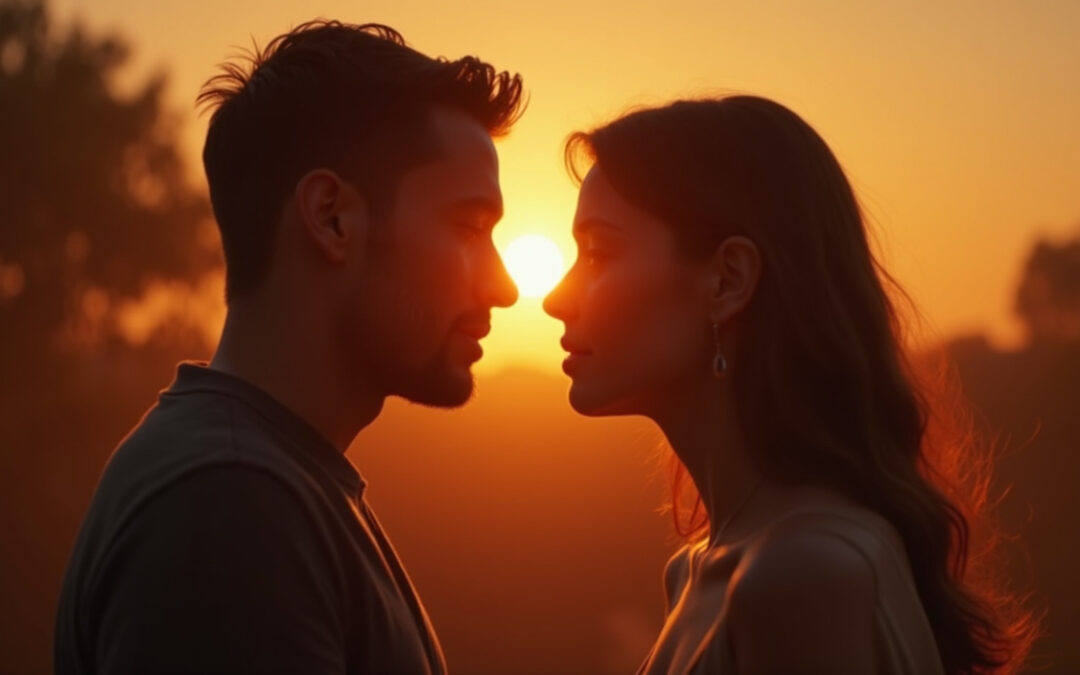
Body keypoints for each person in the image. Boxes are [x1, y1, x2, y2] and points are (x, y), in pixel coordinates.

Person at [54, 20, 523, 675]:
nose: (503, 286)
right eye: (469, 226)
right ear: (332, 217)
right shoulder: (228, 506)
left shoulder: (273, 483)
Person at [544, 96, 1036, 674]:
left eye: (599, 253)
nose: (555, 299)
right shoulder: (701, 571)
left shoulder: (803, 574)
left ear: (728, 280)